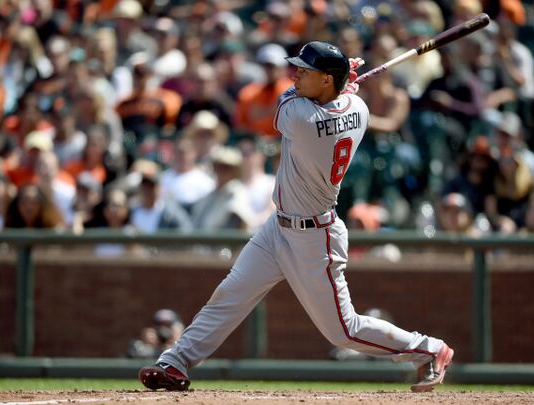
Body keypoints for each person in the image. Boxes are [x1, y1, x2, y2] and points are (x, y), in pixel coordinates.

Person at [139, 41, 453, 393]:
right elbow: (341, 99)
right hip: (278, 227)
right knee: (230, 294)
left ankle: (428, 349)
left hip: (314, 236)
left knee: (343, 330)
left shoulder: (301, 117)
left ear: (326, 82)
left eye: (306, 72)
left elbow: (290, 99)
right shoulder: (359, 108)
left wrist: (341, 79)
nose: (296, 75)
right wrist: (340, 84)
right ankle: (175, 362)